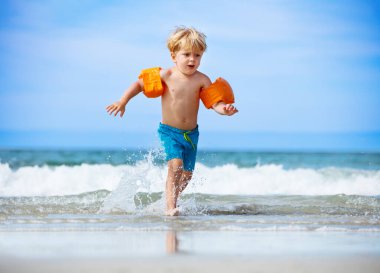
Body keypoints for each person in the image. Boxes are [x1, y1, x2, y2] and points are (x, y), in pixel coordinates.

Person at [106, 26, 238, 216]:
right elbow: (139, 84)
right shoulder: (166, 75)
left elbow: (214, 103)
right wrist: (123, 101)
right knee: (175, 166)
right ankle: (170, 208)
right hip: (169, 132)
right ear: (173, 55)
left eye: (197, 55)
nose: (192, 59)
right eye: (186, 54)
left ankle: (169, 199)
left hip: (191, 135)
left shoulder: (202, 80)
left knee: (187, 175)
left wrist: (224, 110)